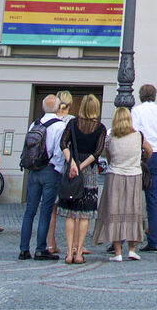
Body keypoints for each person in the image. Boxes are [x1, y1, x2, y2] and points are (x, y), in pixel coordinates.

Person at [91, 105, 148, 261]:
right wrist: (140, 160)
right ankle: (132, 248)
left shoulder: (111, 138)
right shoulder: (138, 136)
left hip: (115, 175)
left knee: (115, 212)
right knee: (132, 210)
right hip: (134, 175)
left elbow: (109, 158)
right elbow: (148, 150)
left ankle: (117, 252)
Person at [56, 95, 106, 264]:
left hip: (72, 168)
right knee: (84, 215)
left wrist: (72, 164)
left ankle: (69, 252)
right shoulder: (100, 128)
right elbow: (97, 152)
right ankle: (79, 253)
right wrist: (82, 166)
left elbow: (63, 144)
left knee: (70, 214)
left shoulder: (72, 124)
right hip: (89, 171)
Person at [19, 94, 66, 259]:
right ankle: (40, 248)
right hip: (50, 169)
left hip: (34, 169)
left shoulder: (35, 123)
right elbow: (59, 151)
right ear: (58, 108)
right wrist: (58, 169)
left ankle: (24, 249)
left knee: (29, 210)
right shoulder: (60, 126)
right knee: (46, 210)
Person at [130, 83, 157, 252]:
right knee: (152, 199)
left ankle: (128, 236)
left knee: (132, 197)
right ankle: (153, 239)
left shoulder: (137, 111)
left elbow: (134, 132)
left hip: (140, 154)